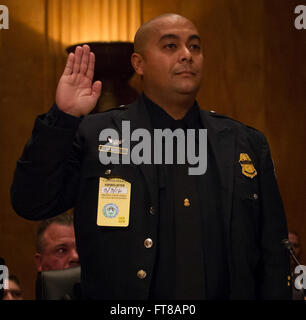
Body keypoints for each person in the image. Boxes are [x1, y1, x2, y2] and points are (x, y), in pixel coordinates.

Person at [11, 13, 291, 299]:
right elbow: (32, 201)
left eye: (195, 47)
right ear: (138, 64)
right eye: (171, 46)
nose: (187, 55)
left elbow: (273, 255)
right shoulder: (97, 134)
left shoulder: (244, 143)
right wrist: (63, 117)